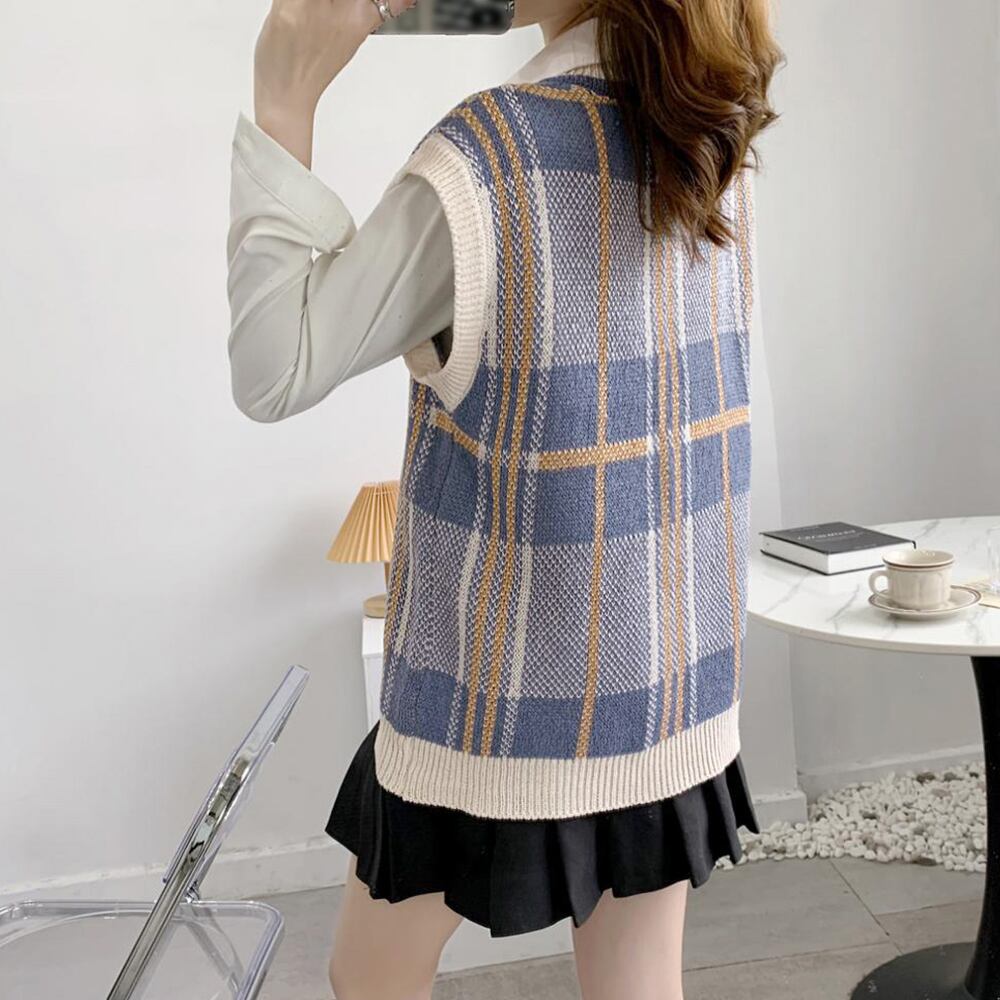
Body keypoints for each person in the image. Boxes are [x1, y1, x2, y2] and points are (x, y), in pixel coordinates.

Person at [227, 0, 782, 996]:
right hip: (667, 678)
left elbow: (275, 368)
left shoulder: (487, 160)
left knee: (371, 978)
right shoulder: (712, 133)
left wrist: (284, 95)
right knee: (637, 982)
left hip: (494, 703)